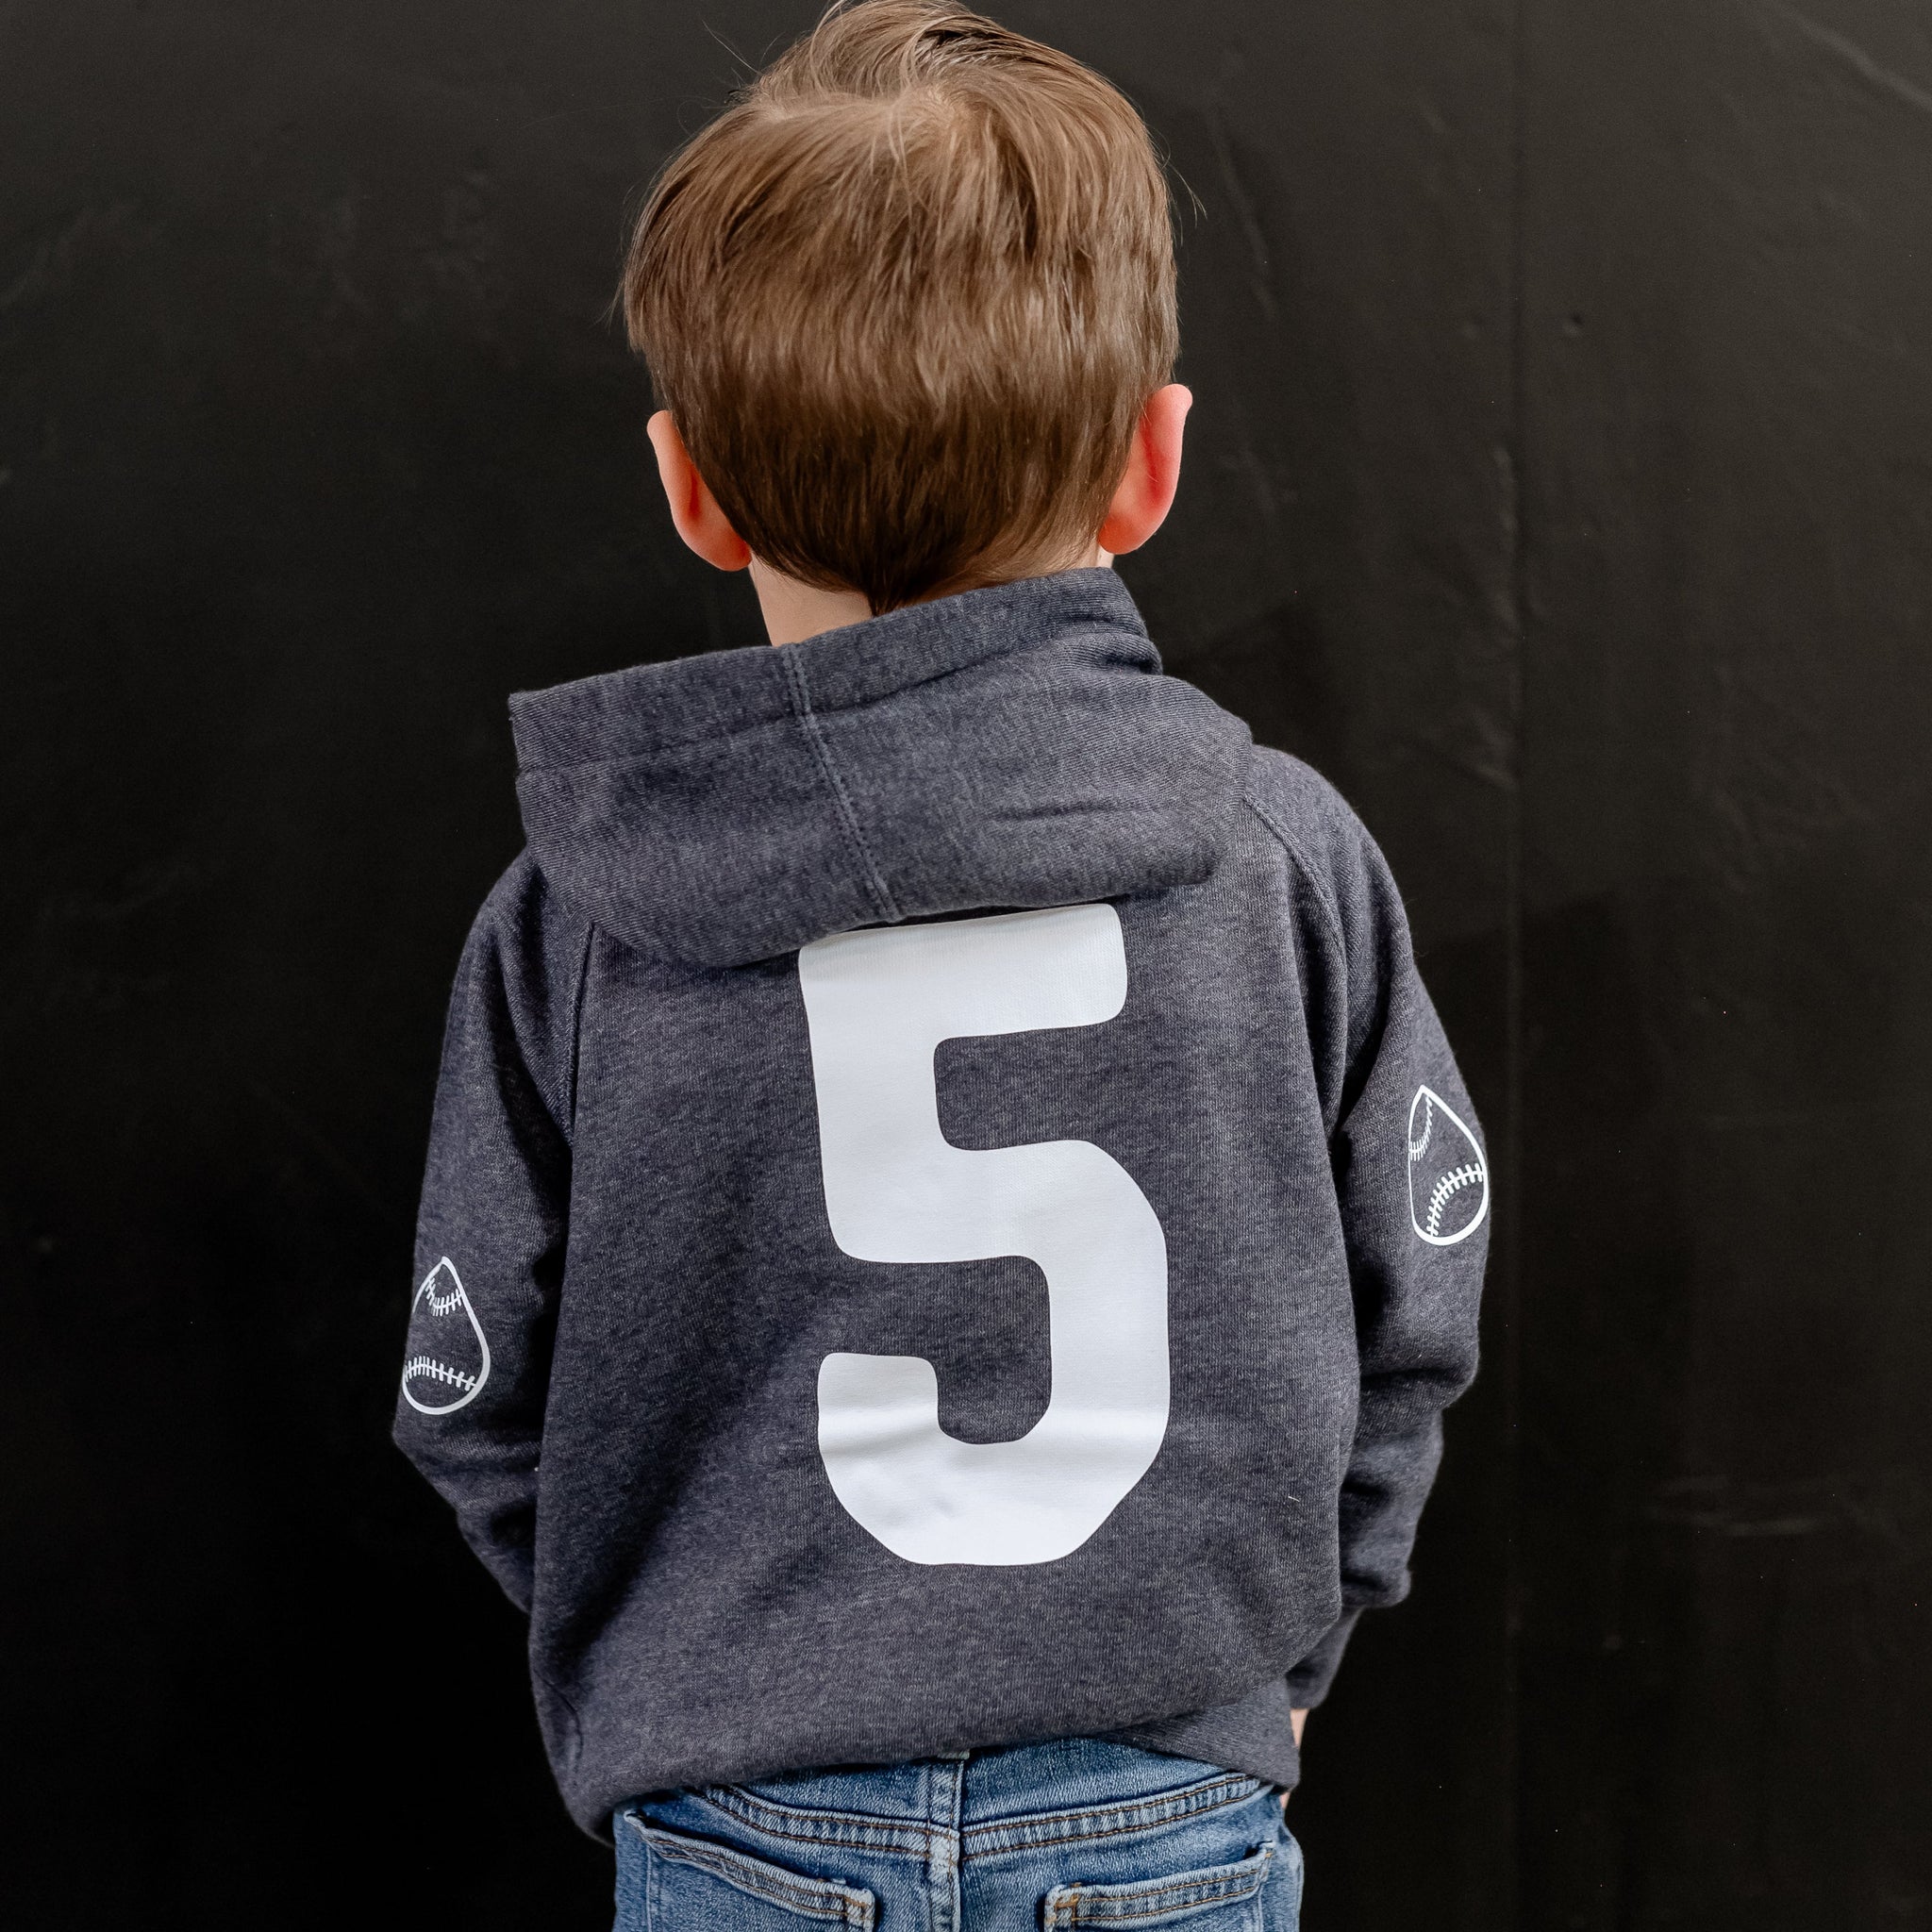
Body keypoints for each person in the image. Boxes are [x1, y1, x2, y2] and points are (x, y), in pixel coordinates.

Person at [392, 4, 1489, 1925]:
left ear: (689, 487)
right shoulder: (1285, 858)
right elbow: (1422, 1293)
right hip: (1166, 1806)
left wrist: (665, 1654)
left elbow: (467, 1392)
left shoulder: (573, 917)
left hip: (736, 1818)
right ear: (1151, 466)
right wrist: (1295, 1651)